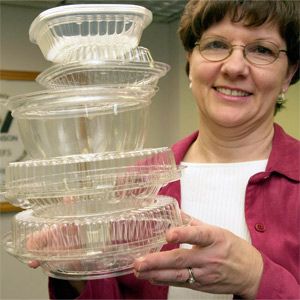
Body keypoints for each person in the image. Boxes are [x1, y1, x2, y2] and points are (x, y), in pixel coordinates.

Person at [30, 0, 299, 299]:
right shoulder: (137, 183)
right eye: (216, 45)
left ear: (288, 74)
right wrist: (80, 270)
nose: (234, 67)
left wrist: (256, 278)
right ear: (190, 62)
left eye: (262, 49)